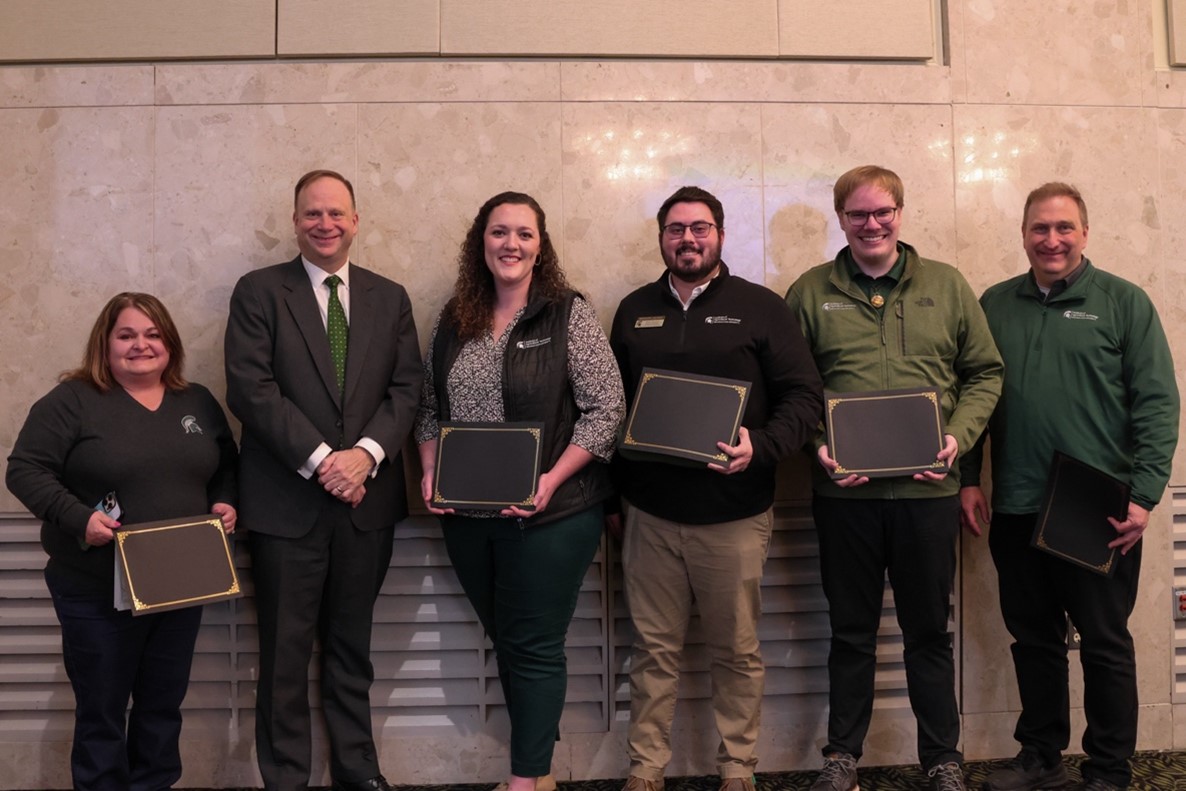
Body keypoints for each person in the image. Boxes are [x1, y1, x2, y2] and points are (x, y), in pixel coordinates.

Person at [784, 165, 1003, 791]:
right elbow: (794, 390)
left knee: (928, 632)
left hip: (927, 495)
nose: (872, 224)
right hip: (844, 498)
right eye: (858, 214)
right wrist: (820, 447)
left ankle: (943, 759)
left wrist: (959, 438)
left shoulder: (948, 286)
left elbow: (985, 372)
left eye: (883, 212)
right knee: (849, 632)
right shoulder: (809, 292)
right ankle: (841, 758)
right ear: (841, 219)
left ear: (901, 214)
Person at [960, 183, 1180, 791]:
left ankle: (1109, 769)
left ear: (1085, 233)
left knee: (1106, 643)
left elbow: (1159, 403)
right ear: (1023, 233)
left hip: (1096, 507)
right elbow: (975, 394)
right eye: (1039, 228)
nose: (1051, 239)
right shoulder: (994, 304)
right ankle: (1041, 756)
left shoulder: (1123, 303)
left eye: (1063, 228)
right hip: (1016, 503)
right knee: (1033, 638)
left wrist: (1144, 495)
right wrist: (967, 478)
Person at [610, 186, 824, 791]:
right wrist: (613, 500)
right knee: (652, 654)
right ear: (661, 238)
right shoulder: (633, 311)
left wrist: (762, 445)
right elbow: (608, 410)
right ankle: (645, 770)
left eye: (700, 228)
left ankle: (738, 769)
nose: (688, 239)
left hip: (734, 515)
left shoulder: (762, 308)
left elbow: (805, 397)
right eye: (676, 229)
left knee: (736, 653)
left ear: (722, 236)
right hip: (649, 515)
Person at [415, 191, 625, 791]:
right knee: (509, 640)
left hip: (552, 516)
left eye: (524, 234)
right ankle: (537, 757)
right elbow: (429, 408)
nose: (511, 244)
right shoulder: (454, 317)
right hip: (466, 516)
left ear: (541, 246)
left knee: (532, 645)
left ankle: (527, 778)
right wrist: (430, 471)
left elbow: (606, 408)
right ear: (480, 243)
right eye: (499, 232)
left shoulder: (567, 313)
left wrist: (550, 481)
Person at [224, 169, 422, 791]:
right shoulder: (259, 292)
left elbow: (408, 387)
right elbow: (250, 390)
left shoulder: (390, 297)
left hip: (368, 504)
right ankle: (286, 779)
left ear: (356, 221)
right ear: (295, 222)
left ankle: (358, 772)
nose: (326, 224)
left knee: (351, 648)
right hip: (286, 504)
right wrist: (324, 461)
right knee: (284, 655)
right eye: (313, 213)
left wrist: (364, 455)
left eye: (337, 213)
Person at [6, 292, 238, 791]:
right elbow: (25, 469)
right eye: (127, 335)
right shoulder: (72, 401)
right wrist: (77, 517)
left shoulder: (195, 401)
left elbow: (227, 467)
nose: (141, 345)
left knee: (162, 707)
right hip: (94, 589)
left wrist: (225, 502)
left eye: (153, 334)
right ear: (105, 343)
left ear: (169, 343)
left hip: (182, 584)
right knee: (102, 713)